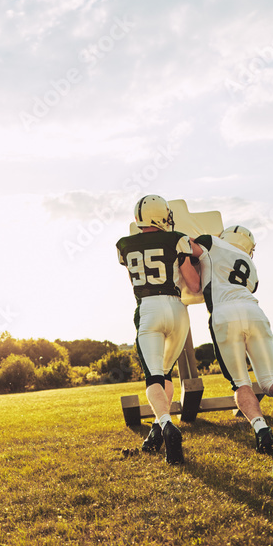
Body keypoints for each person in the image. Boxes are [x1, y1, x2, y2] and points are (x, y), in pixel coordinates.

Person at [179, 226, 273, 455]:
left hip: (224, 313)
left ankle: (262, 430)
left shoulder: (211, 243)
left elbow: (183, 244)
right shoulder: (251, 267)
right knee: (271, 380)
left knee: (241, 383)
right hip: (254, 312)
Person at [115, 195, 194, 464]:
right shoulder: (177, 238)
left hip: (148, 307)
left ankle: (167, 426)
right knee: (167, 373)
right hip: (177, 308)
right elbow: (192, 284)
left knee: (154, 379)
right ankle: (158, 429)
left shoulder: (123, 245)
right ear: (162, 215)